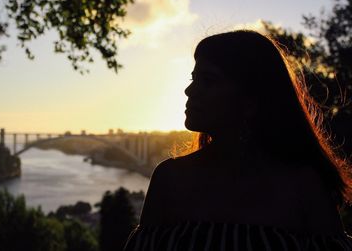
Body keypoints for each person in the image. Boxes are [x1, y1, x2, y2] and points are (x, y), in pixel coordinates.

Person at [122, 30, 352, 250]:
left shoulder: (305, 186)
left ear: (251, 101)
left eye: (208, 80)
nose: (189, 90)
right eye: (193, 78)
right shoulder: (168, 179)